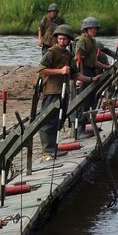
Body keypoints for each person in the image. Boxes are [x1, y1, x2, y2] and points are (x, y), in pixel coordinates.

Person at [37, 24, 76, 157]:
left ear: (68, 40)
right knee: (49, 120)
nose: (62, 41)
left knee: (60, 119)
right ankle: (48, 149)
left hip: (64, 91)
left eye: (64, 39)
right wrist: (60, 71)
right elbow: (41, 69)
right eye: (60, 39)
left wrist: (90, 79)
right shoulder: (51, 52)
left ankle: (54, 147)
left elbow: (75, 73)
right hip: (52, 91)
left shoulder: (68, 54)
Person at [73, 17, 110, 136]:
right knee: (82, 101)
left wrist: (107, 67)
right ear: (86, 29)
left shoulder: (92, 41)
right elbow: (79, 61)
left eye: (95, 29)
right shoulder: (81, 41)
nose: (94, 31)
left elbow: (94, 61)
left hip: (91, 71)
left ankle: (85, 125)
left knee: (89, 100)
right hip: (84, 72)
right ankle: (79, 129)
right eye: (92, 29)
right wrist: (81, 78)